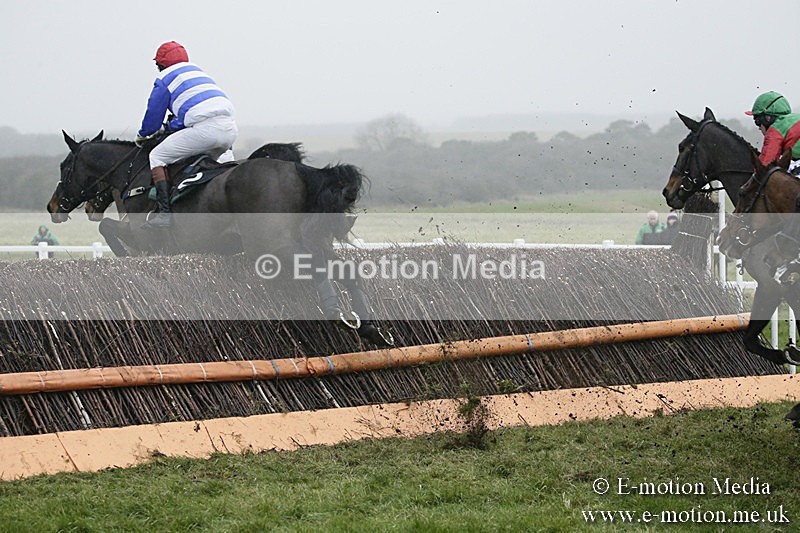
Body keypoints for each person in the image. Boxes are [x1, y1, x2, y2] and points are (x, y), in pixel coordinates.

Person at [135, 41, 238, 228]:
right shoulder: (199, 73)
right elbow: (190, 113)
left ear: (160, 64)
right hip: (230, 132)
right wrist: (172, 125)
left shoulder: (165, 79)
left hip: (205, 131)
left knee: (157, 156)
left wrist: (144, 134)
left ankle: (164, 215)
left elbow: (153, 118)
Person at [745, 91, 800, 169]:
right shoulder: (795, 118)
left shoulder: (775, 129)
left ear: (767, 118)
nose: (759, 128)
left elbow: (765, 164)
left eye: (757, 122)